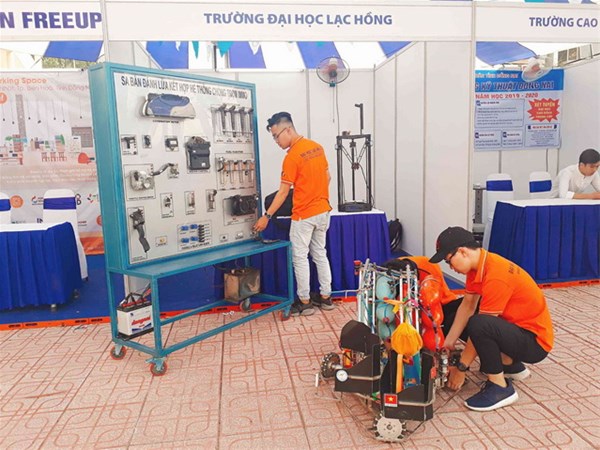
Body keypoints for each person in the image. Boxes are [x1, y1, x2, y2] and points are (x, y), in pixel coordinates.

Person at [429, 226, 554, 412]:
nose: (451, 268)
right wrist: (448, 343)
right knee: (457, 314)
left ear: (462, 252)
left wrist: (462, 368)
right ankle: (510, 365)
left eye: (449, 261)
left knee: (479, 324)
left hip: (535, 342)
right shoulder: (478, 267)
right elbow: (468, 306)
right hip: (515, 330)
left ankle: (500, 387)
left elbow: (481, 327)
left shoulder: (496, 275)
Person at [253, 112, 333, 317]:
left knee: (300, 258)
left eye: (276, 136)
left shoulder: (292, 157)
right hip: (323, 211)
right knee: (320, 253)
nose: (276, 141)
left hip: (304, 215)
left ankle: (305, 302)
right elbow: (328, 177)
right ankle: (326, 297)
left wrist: (266, 216)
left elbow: (282, 193)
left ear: (287, 129)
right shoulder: (317, 147)